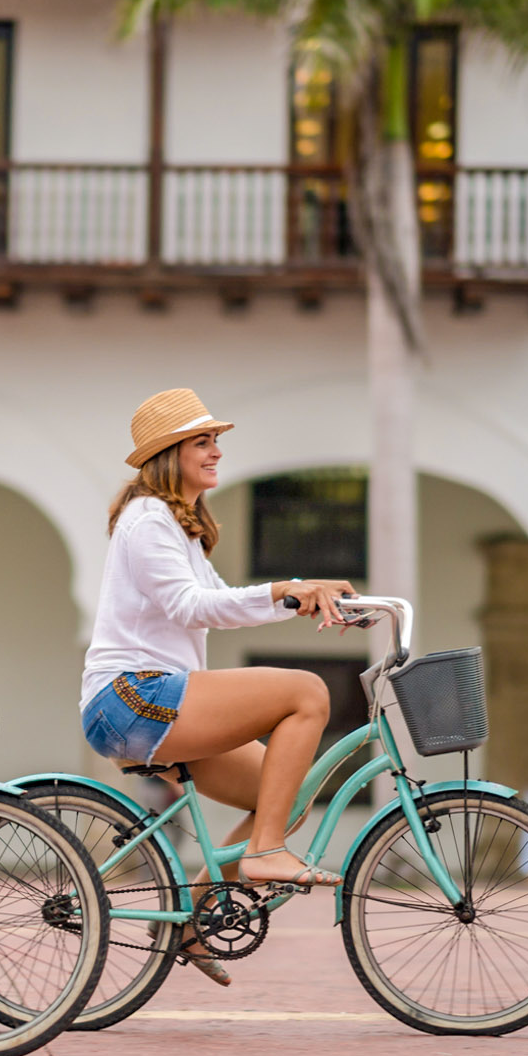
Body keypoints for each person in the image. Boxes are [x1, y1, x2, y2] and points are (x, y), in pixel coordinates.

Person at [80, 388, 356, 984]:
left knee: (289, 797)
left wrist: (298, 596)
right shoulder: (148, 517)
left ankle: (196, 915)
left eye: (215, 442)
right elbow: (190, 606)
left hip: (158, 699)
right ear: (170, 453)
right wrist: (287, 589)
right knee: (307, 692)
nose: (215, 453)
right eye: (202, 443)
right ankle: (263, 856)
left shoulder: (177, 528)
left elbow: (217, 598)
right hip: (132, 697)